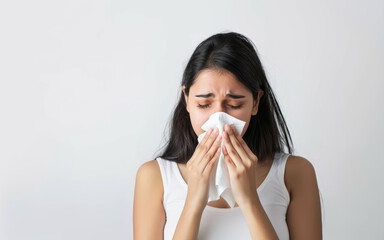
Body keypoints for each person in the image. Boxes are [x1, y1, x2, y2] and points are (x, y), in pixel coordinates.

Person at [133, 32, 322, 240]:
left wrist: (250, 200)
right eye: (204, 104)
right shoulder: (155, 177)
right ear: (187, 99)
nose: (218, 117)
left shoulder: (294, 173)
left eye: (234, 105)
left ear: (256, 102)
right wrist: (194, 200)